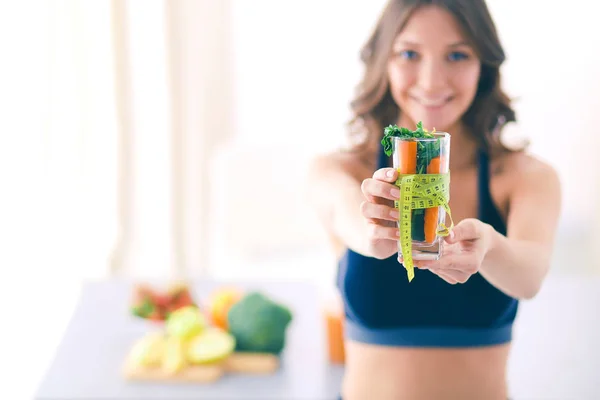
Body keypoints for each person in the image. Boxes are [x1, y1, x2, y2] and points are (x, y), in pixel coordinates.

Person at [307, 1, 562, 399]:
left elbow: (529, 276)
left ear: (484, 66)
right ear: (383, 62)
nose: (431, 81)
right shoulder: (338, 170)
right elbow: (346, 214)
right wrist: (374, 229)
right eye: (410, 54)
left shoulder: (526, 177)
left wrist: (489, 246)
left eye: (457, 55)